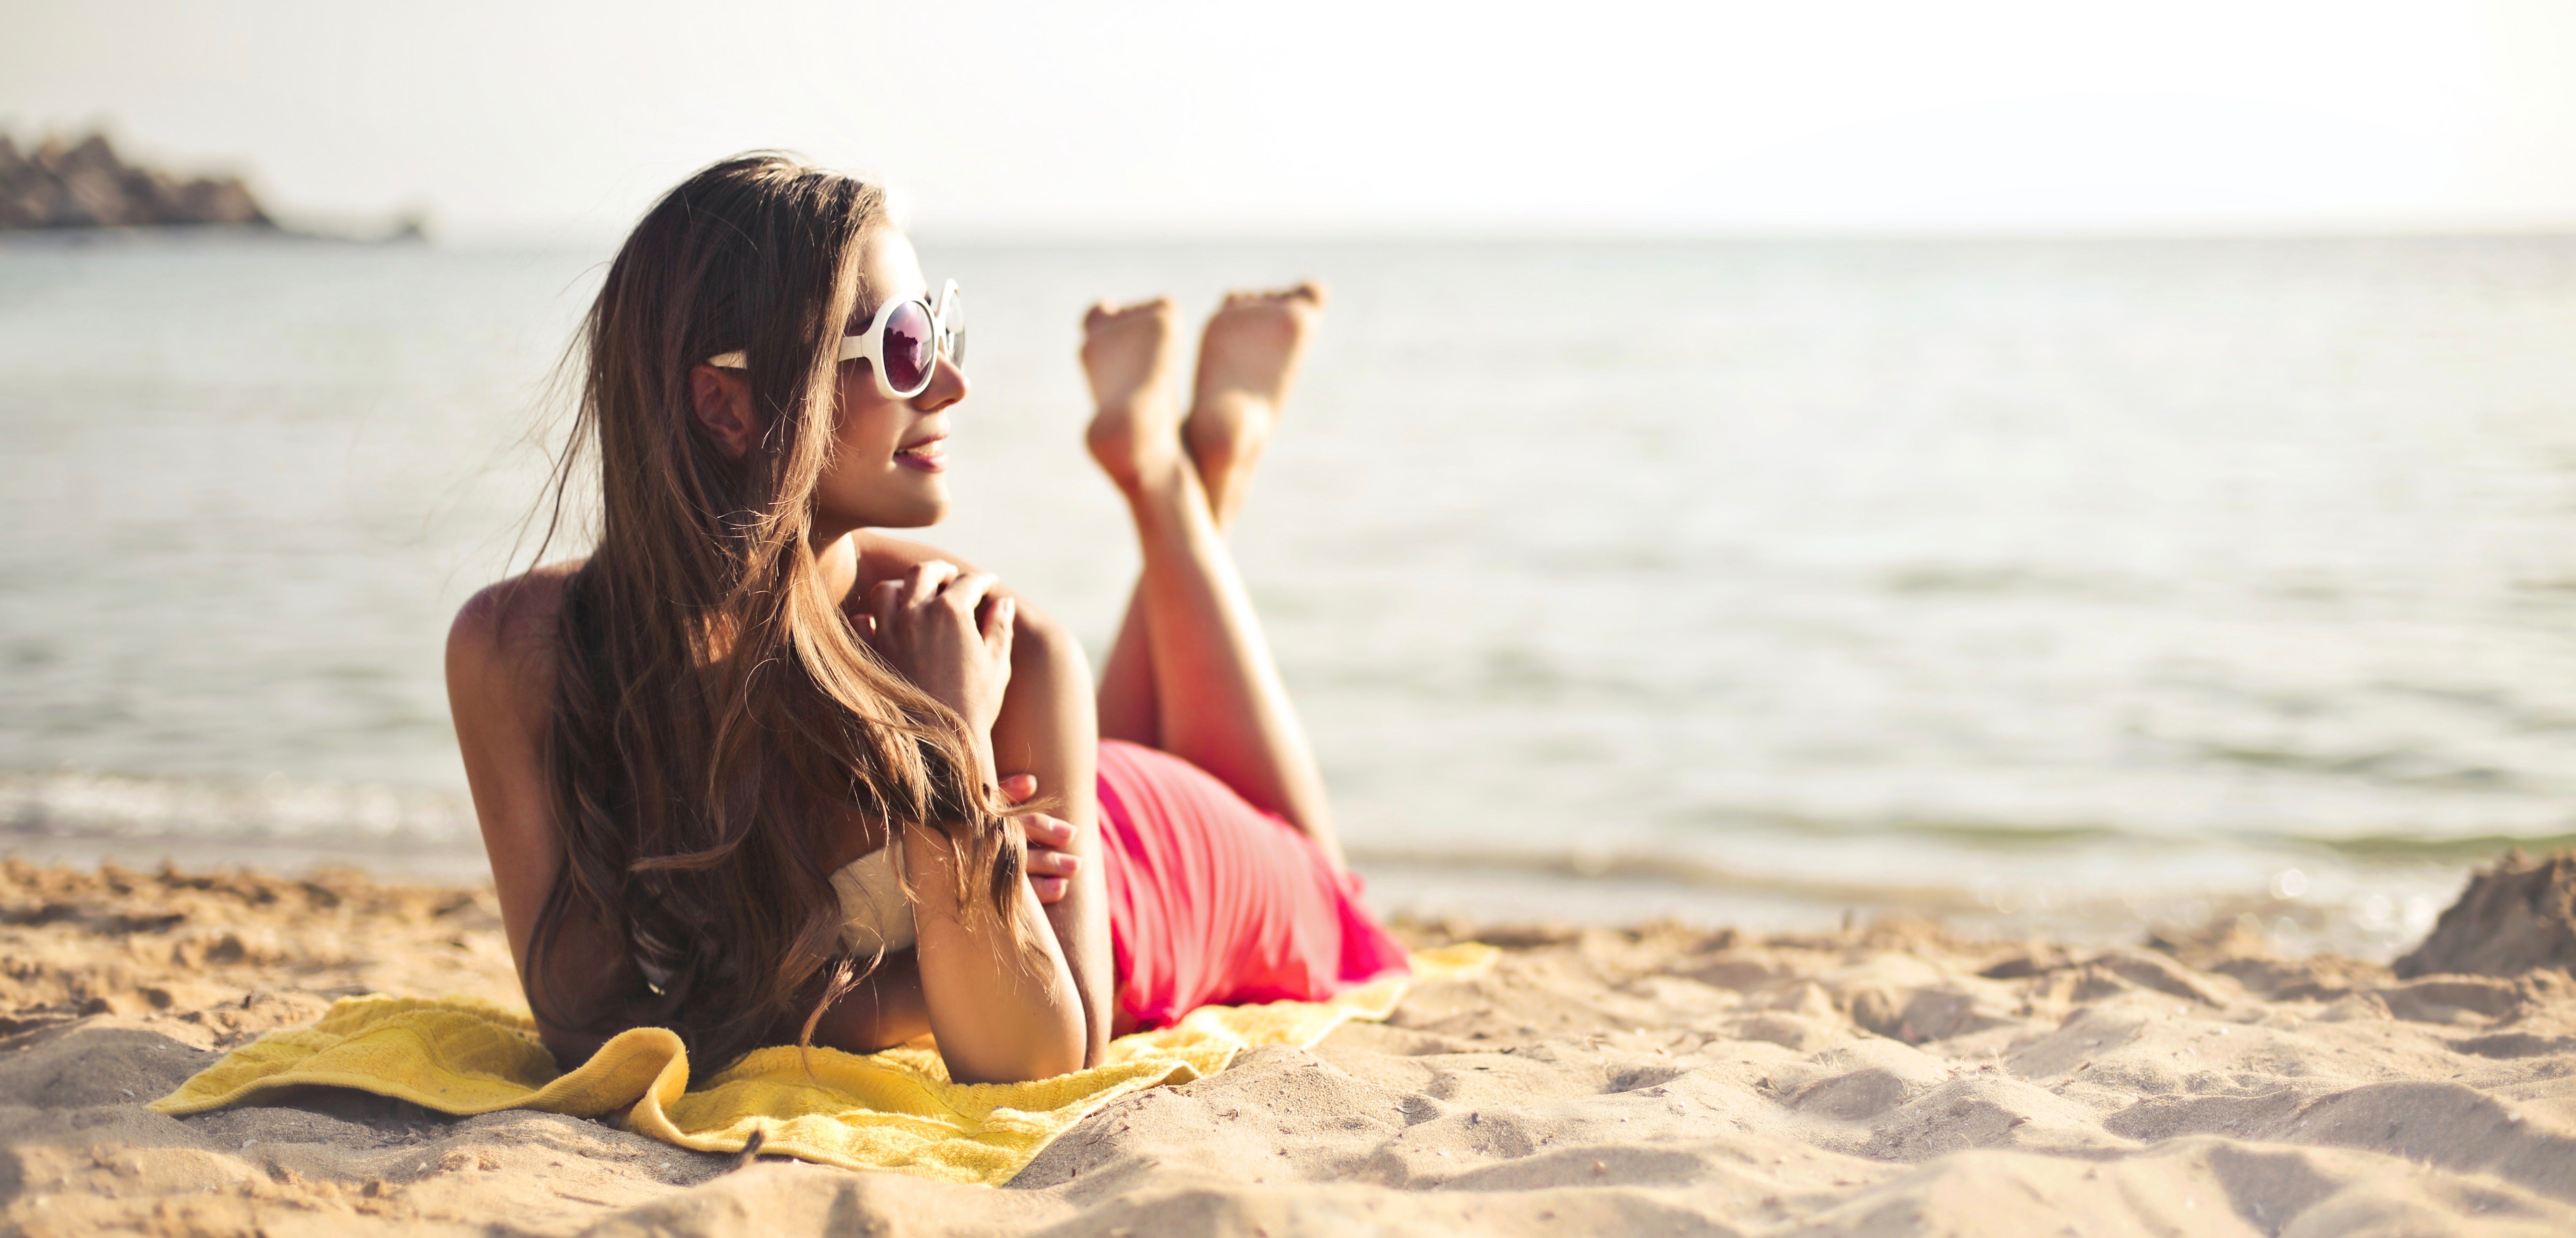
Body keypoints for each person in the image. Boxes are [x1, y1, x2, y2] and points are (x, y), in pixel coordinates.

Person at [444, 153, 1409, 1085]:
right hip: (1041, 811)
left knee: (1331, 896)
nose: (951, 383)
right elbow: (586, 1031)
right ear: (724, 407)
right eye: (904, 346)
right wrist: (934, 928)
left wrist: (949, 754)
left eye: (941, 332)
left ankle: (1171, 476)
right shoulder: (520, 654)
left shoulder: (992, 645)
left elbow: (1041, 1057)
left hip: (1151, 866)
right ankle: (1191, 463)